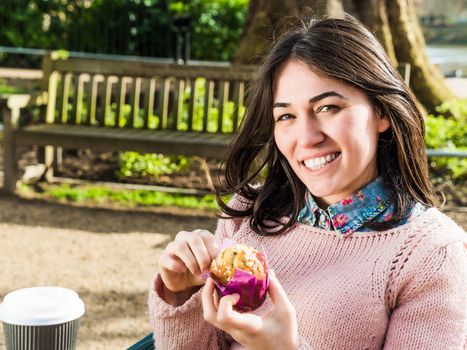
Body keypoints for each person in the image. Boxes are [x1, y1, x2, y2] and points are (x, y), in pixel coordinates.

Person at [148, 15, 466, 350]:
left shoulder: (431, 255)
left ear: (382, 112)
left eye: (328, 107)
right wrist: (182, 291)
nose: (307, 137)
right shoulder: (250, 211)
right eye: (286, 116)